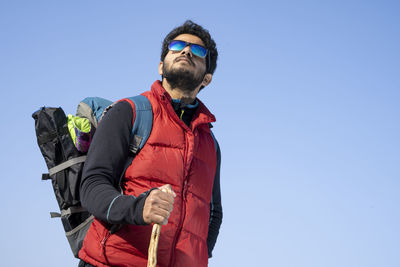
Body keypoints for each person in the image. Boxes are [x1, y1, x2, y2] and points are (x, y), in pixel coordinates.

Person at [78, 20, 222, 267]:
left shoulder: (211, 143)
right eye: (177, 46)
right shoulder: (129, 112)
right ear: (160, 66)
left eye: (197, 51)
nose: (186, 51)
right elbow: (92, 185)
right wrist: (137, 208)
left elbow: (213, 213)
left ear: (207, 78)